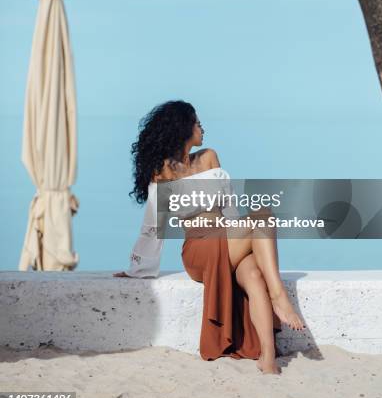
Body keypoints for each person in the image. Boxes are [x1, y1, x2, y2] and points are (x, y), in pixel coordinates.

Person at [113, 100, 305, 375]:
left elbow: (228, 206)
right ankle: (280, 297)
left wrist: (245, 239)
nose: (202, 128)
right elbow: (154, 224)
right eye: (196, 123)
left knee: (253, 275)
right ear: (182, 128)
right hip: (199, 248)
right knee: (264, 215)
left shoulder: (209, 157)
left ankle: (268, 356)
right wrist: (138, 267)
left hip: (226, 238)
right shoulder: (163, 171)